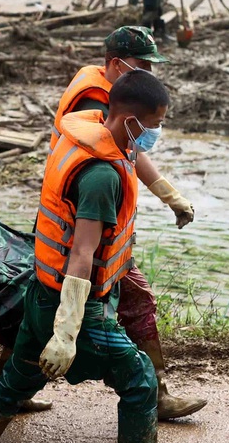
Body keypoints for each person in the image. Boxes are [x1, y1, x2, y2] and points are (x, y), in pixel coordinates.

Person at [0, 70, 194, 443]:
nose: (154, 134)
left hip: (41, 292)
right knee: (139, 381)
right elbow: (82, 253)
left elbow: (134, 165)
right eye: (152, 125)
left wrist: (169, 193)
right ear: (130, 121)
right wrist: (66, 332)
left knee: (19, 378)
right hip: (75, 306)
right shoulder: (101, 178)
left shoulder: (93, 133)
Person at [47, 26, 203, 420]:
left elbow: (131, 152)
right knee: (134, 303)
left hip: (91, 219)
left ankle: (12, 389)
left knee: (42, 307)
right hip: (85, 222)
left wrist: (169, 194)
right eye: (143, 64)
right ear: (116, 63)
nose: (149, 73)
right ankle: (156, 392)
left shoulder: (113, 93)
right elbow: (110, 160)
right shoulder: (99, 99)